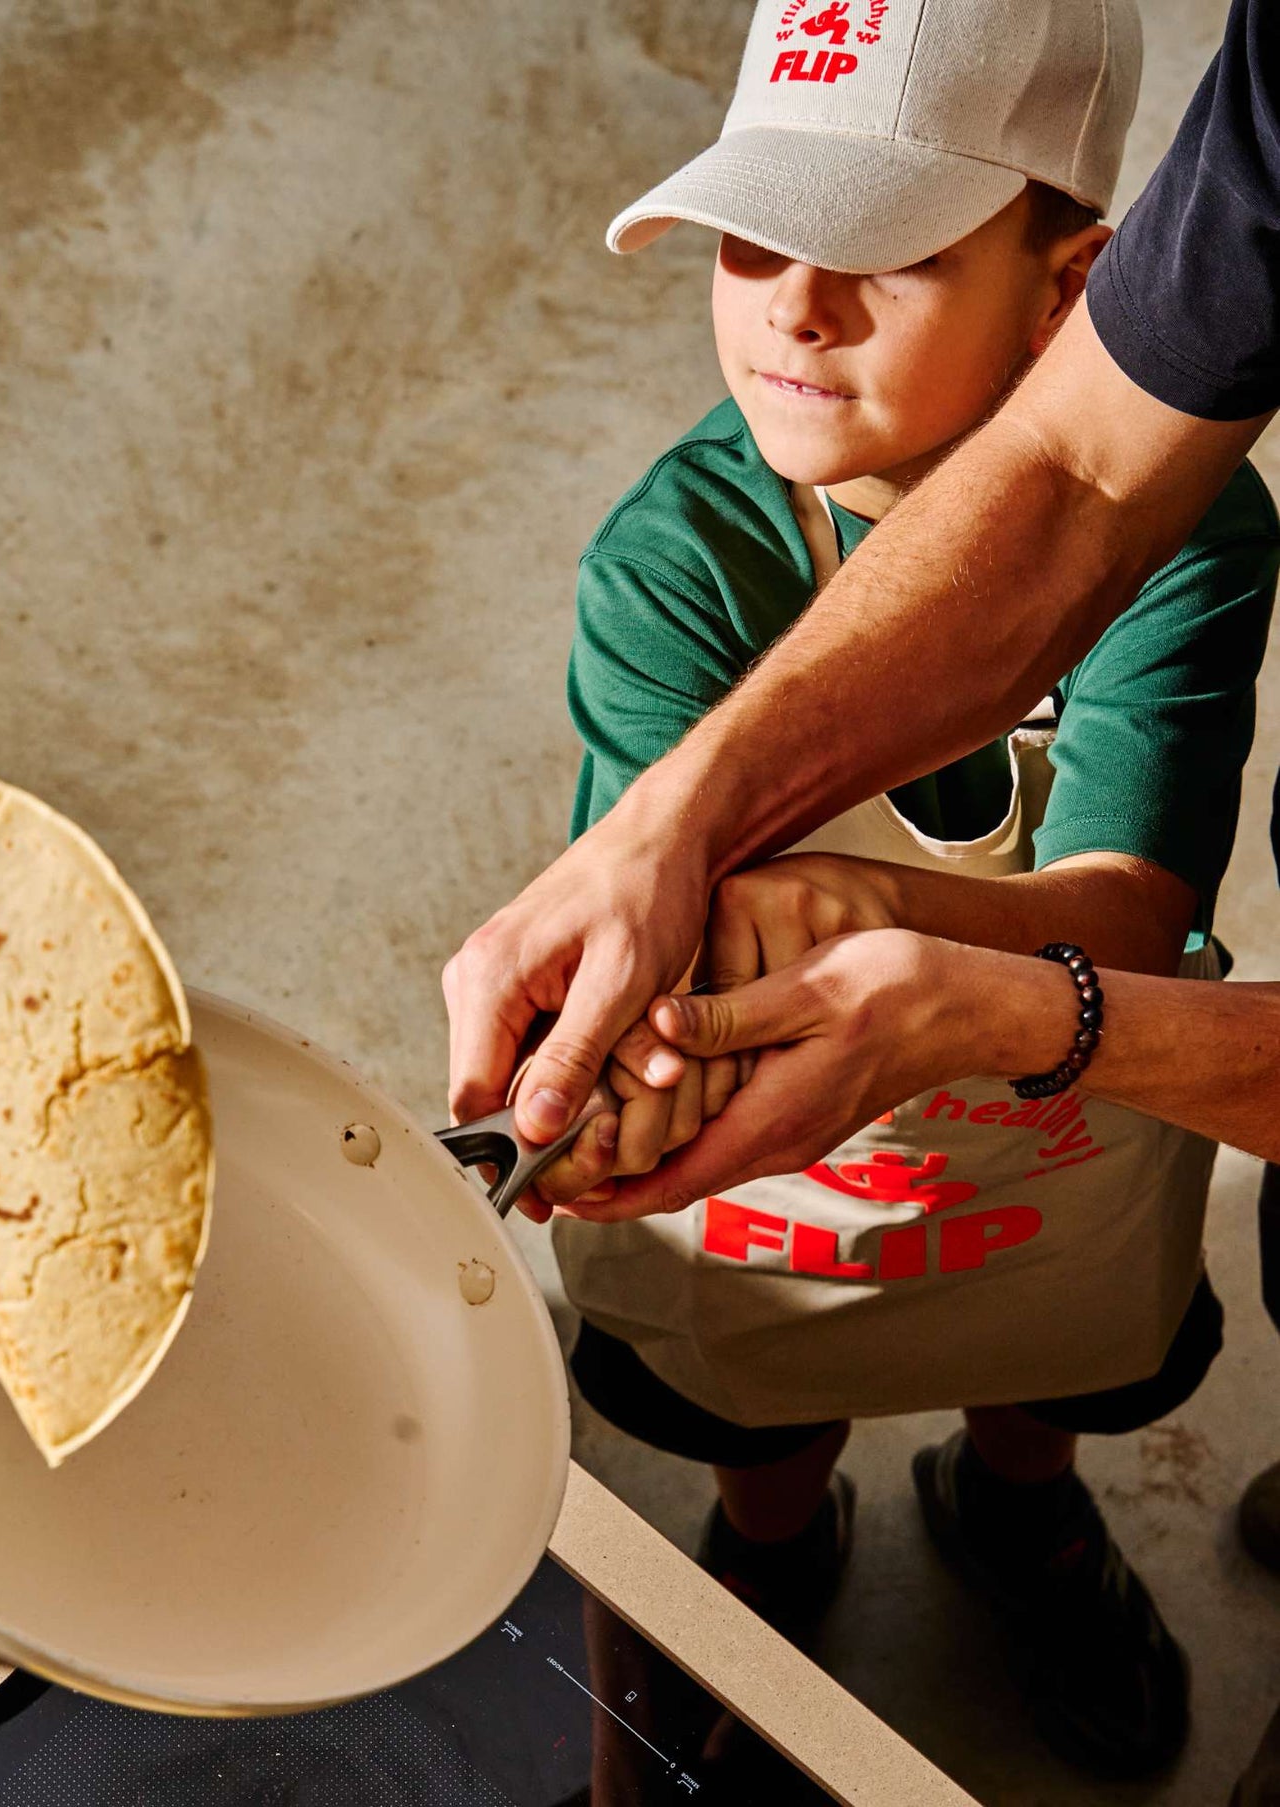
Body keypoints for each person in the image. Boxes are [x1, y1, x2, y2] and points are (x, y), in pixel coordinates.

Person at [448, 0, 1280, 1779]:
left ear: (1081, 286)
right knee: (762, 1380)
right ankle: (764, 1545)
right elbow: (658, 946)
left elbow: (1130, 927)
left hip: (1055, 1118)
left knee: (1048, 1347)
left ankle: (1017, 1509)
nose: (792, 307)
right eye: (754, 235)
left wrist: (847, 925)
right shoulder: (671, 560)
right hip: (800, 1171)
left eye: (884, 251)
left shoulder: (1191, 534)